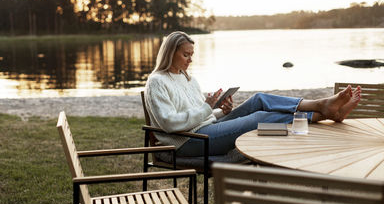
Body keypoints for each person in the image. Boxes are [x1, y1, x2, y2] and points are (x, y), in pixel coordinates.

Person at [144, 31, 362, 157]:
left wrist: (220, 111)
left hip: (206, 128)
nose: (190, 60)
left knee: (259, 99)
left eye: (192, 54)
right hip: (187, 142)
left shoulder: (188, 78)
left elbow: (203, 115)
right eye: (185, 55)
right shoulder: (157, 82)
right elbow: (170, 124)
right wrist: (207, 108)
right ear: (170, 53)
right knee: (261, 120)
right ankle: (325, 114)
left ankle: (321, 105)